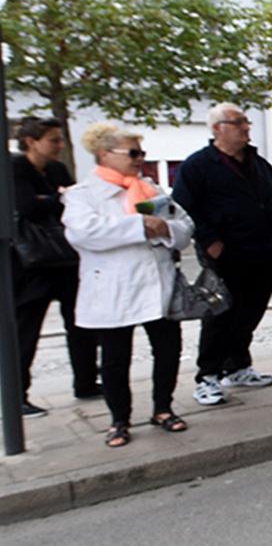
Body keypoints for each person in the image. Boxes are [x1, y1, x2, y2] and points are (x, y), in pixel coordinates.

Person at [62, 123, 194, 447]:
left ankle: (163, 408)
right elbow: (84, 233)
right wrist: (139, 226)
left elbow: (185, 226)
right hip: (114, 288)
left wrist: (164, 229)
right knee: (115, 356)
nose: (140, 159)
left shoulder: (151, 189)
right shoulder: (84, 194)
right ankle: (119, 419)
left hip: (157, 283)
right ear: (104, 154)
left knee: (168, 348)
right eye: (133, 153)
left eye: (142, 153)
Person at [172, 103, 272, 406]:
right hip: (227, 252)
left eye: (246, 122)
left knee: (251, 311)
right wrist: (210, 240)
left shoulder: (258, 163)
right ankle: (207, 375)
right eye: (237, 123)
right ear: (217, 128)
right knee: (221, 313)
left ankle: (236, 366)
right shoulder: (198, 166)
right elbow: (185, 207)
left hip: (265, 250)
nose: (245, 127)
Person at [11, 117, 100, 417]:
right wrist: (57, 198)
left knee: (81, 322)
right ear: (31, 141)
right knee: (26, 329)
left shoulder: (57, 169)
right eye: (53, 140)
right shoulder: (15, 168)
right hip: (30, 262)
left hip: (64, 257)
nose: (60, 146)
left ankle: (86, 381)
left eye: (60, 140)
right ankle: (16, 395)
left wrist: (53, 199)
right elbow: (26, 207)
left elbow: (74, 201)